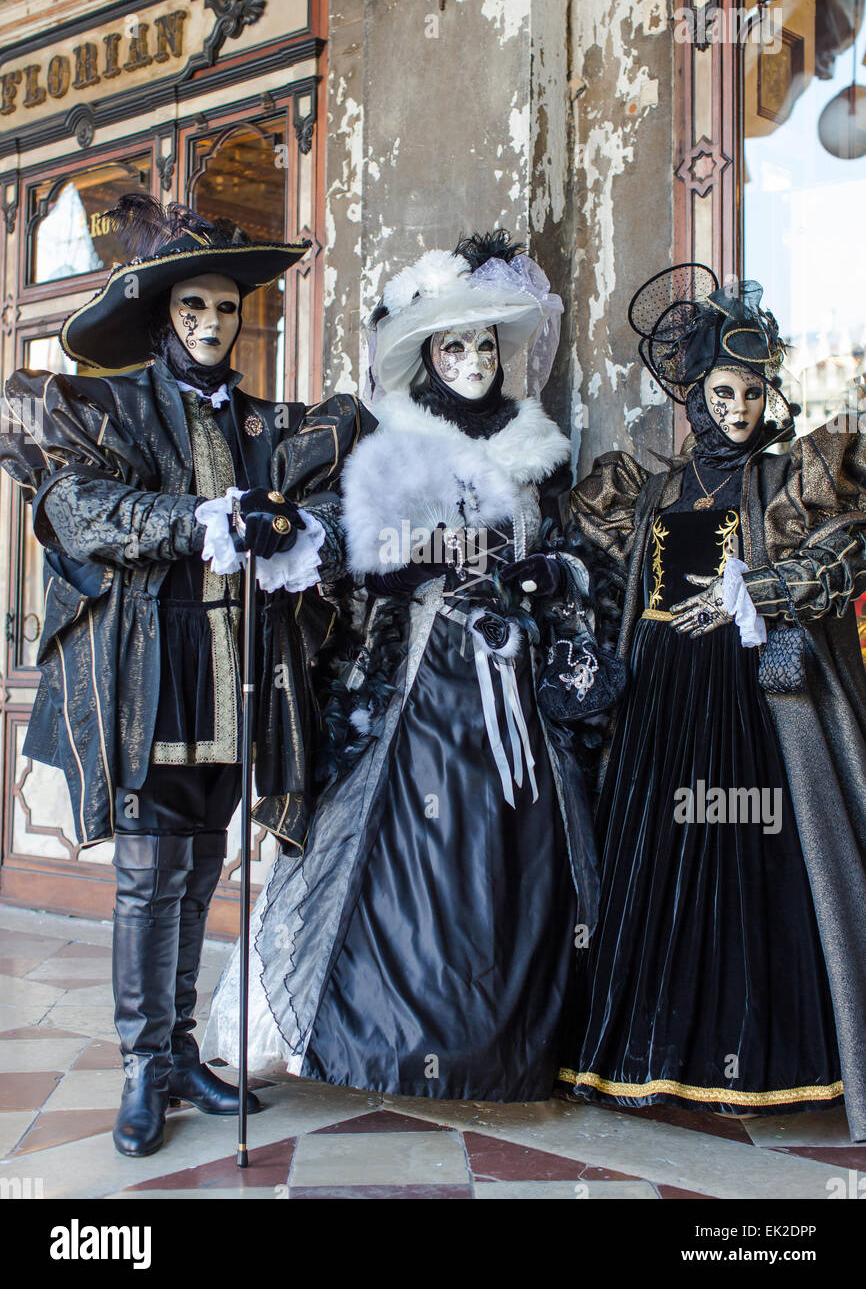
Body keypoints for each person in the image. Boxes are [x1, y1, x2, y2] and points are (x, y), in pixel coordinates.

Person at [0, 194, 372, 1156]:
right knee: (146, 876)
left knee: (202, 868)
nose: (211, 324)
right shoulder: (115, 406)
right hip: (149, 674)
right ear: (165, 316)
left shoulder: (259, 423)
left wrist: (287, 528)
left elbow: (325, 482)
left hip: (236, 677)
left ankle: (178, 1049)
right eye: (192, 309)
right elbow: (77, 507)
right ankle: (138, 1068)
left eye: (224, 308)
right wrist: (193, 522)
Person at [204, 231, 599, 1101]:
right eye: (453, 345)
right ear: (427, 357)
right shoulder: (400, 448)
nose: (471, 360)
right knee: (415, 852)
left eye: (484, 344)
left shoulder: (539, 455)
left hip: (512, 683)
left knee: (507, 860)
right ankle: (394, 1039)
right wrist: (375, 552)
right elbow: (357, 550)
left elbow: (572, 560)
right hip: (417, 683)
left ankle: (499, 1046)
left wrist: (543, 577)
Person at [563, 265, 866, 1142]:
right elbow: (605, 576)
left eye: (752, 391)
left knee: (752, 860)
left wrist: (759, 589)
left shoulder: (790, 481)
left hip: (749, 702)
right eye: (721, 392)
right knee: (657, 865)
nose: (737, 408)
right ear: (693, 398)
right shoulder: (648, 487)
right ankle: (654, 1056)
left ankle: (765, 1058)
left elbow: (843, 562)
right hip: (660, 697)